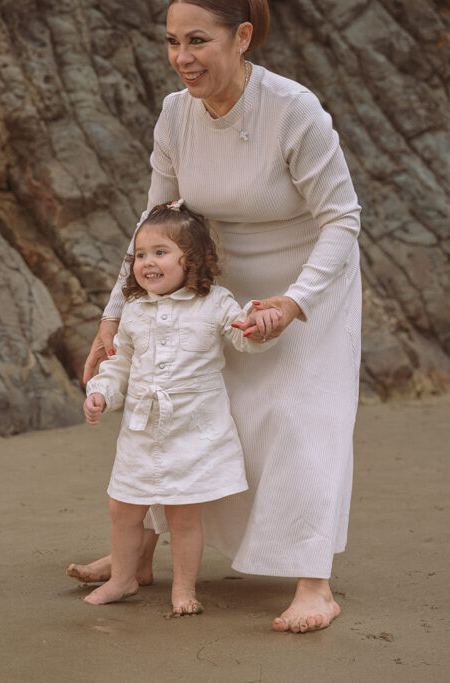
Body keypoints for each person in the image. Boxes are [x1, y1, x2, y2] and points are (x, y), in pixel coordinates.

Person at [71, 0, 362, 634]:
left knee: (300, 415)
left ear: (243, 37)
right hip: (215, 280)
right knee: (184, 403)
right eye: (173, 41)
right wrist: (111, 320)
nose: (183, 58)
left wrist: (293, 301)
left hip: (307, 273)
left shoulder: (294, 110)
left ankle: (315, 584)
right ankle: (138, 555)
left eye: (198, 40)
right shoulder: (176, 114)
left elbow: (342, 218)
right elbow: (154, 225)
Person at [82, 201, 279, 615]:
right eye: (139, 255)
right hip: (142, 431)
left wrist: (259, 326)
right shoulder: (134, 311)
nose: (147, 263)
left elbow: (243, 337)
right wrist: (102, 392)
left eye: (160, 252)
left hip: (193, 429)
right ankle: (123, 578)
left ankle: (184, 589)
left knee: (183, 515)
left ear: (190, 260)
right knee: (123, 507)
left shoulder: (215, 302)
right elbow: (119, 363)